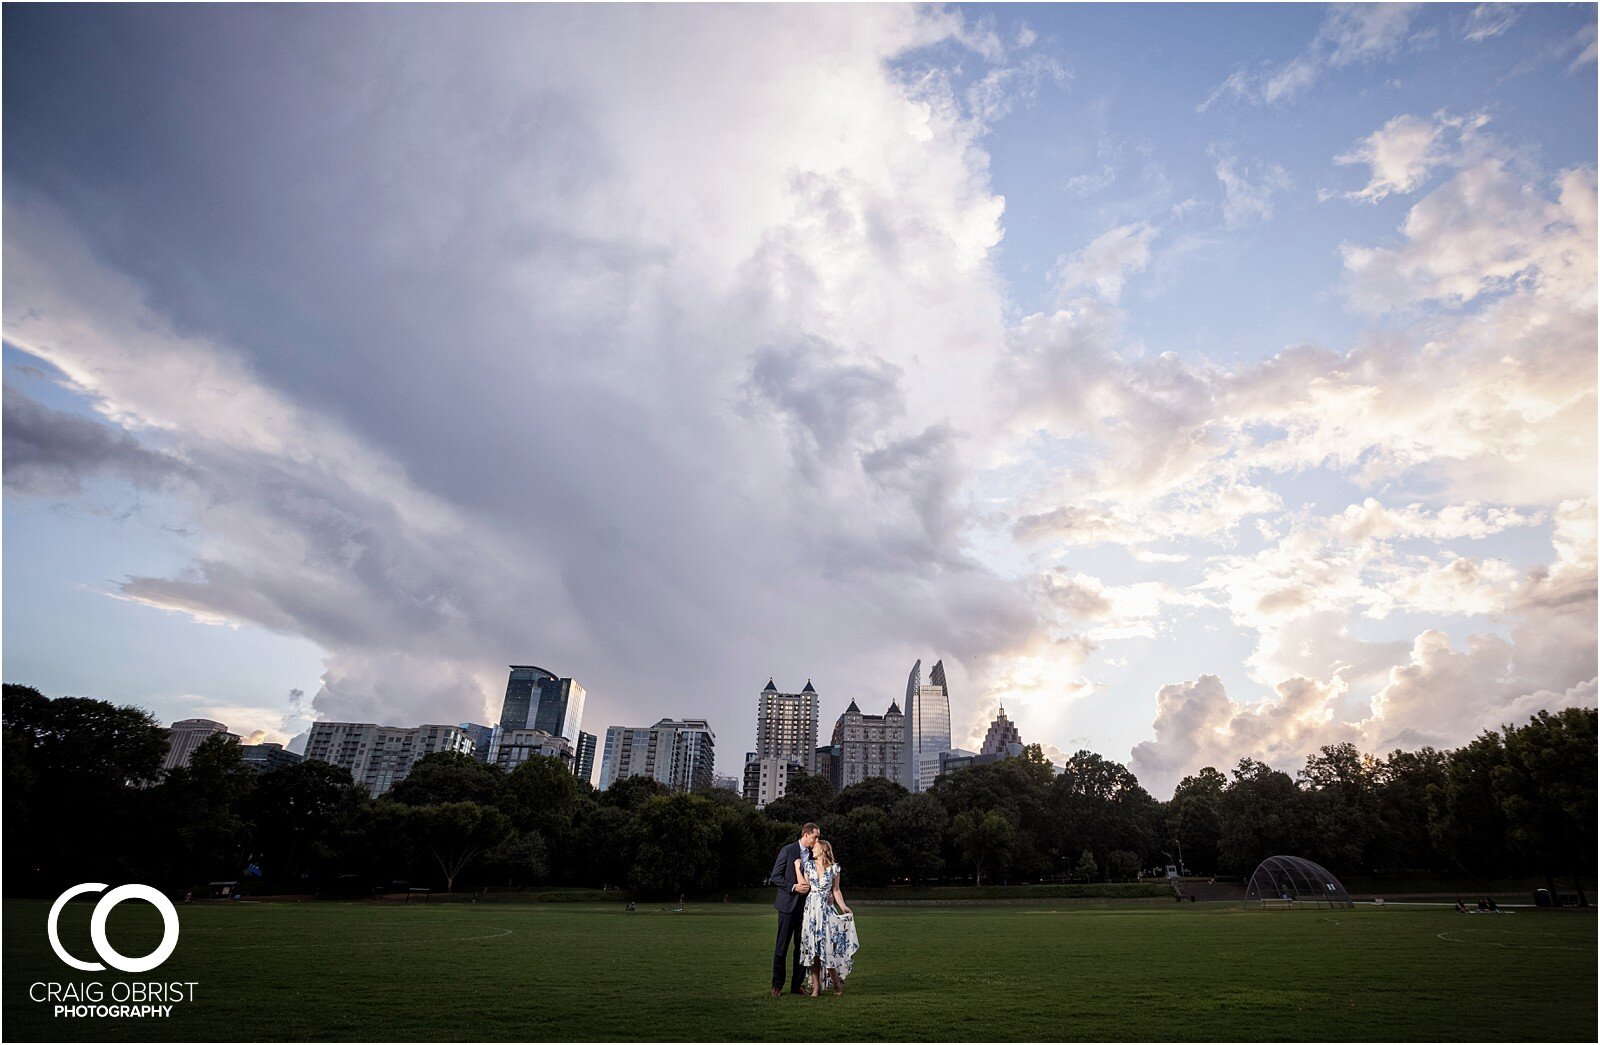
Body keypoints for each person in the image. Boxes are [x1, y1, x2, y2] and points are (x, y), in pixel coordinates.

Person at [798, 838, 858, 997]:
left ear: (824, 850)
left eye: (815, 847)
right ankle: (816, 987)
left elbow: (836, 890)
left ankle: (837, 985)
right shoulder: (809, 866)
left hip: (826, 912)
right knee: (814, 952)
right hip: (811, 912)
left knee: (827, 949)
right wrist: (797, 868)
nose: (812, 850)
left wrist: (843, 907)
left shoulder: (834, 869)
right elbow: (804, 887)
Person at [767, 822, 819, 997]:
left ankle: (796, 985)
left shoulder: (815, 854)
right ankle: (777, 985)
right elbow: (775, 877)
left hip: (806, 909)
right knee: (781, 947)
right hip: (787, 907)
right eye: (815, 836)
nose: (816, 839)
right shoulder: (788, 851)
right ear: (806, 835)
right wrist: (793, 887)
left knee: (801, 948)